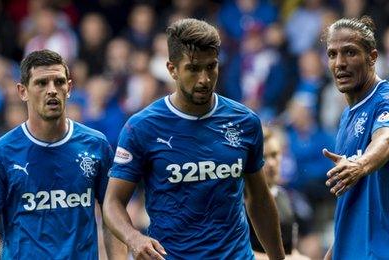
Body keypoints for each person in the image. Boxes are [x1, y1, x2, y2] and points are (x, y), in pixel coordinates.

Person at [103, 18, 285, 259]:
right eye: (193, 68)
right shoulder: (142, 128)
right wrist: (134, 237)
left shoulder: (245, 122)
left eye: (211, 67)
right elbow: (113, 202)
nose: (204, 79)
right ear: (172, 69)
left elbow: (259, 198)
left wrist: (278, 258)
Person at [0, 49, 125, 259]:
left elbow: (112, 216)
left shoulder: (96, 145)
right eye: (42, 83)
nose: (52, 90)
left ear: (69, 88)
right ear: (22, 91)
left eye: (59, 82)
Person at [321, 16, 389, 259]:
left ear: (372, 57)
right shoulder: (348, 116)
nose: (340, 63)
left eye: (350, 52)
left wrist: (360, 164)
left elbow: (387, 139)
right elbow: (354, 207)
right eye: (332, 54)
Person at [250, 126, 309, 260]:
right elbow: (238, 252)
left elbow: (290, 250)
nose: (271, 163)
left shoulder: (285, 197)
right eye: (264, 157)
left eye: (275, 155)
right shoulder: (242, 200)